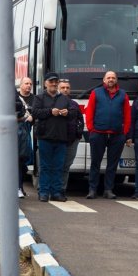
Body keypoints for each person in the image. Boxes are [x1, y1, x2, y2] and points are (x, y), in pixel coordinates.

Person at [85, 71, 131, 199]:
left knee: (112, 164)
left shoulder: (123, 94)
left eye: (113, 78)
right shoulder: (96, 92)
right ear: (104, 80)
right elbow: (89, 112)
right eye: (108, 77)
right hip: (98, 133)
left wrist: (125, 132)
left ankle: (108, 190)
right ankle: (92, 190)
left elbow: (127, 115)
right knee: (95, 163)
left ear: (116, 80)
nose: (111, 79)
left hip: (117, 135)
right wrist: (91, 129)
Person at [31, 72, 71, 202]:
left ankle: (56, 192)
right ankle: (43, 192)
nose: (54, 84)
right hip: (45, 137)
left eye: (55, 81)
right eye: (51, 81)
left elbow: (74, 114)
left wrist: (67, 113)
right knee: (45, 166)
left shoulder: (65, 99)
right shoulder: (39, 97)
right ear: (45, 83)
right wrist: (50, 111)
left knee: (58, 167)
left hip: (61, 138)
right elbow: (35, 112)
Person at [59, 79, 83, 196]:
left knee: (66, 166)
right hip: (57, 140)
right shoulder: (54, 103)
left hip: (72, 140)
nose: (65, 90)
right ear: (58, 89)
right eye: (63, 87)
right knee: (55, 165)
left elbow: (80, 120)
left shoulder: (74, 104)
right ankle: (51, 189)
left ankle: (62, 189)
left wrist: (78, 135)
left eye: (67, 87)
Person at [17, 76, 35, 198]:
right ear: (21, 85)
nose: (28, 85)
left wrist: (33, 116)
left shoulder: (35, 99)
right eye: (26, 83)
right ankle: (18, 187)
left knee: (24, 162)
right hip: (18, 132)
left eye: (30, 83)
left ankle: (20, 186)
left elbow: (38, 111)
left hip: (30, 132)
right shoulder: (16, 97)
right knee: (18, 161)